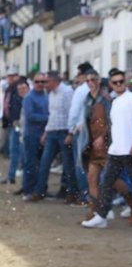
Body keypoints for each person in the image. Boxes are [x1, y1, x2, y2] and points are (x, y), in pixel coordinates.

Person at [81, 70, 132, 229]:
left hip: (121, 148)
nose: (118, 84)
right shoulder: (102, 99)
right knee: (102, 180)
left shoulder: (116, 99)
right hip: (109, 148)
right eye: (115, 82)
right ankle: (100, 213)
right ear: (111, 83)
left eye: (121, 81)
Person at [30, 71, 78, 203]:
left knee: (68, 165)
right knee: (45, 163)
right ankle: (39, 192)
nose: (44, 85)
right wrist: (46, 132)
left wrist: (70, 133)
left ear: (53, 81)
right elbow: (52, 114)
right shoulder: (50, 94)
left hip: (64, 131)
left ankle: (72, 193)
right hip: (52, 132)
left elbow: (72, 114)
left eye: (46, 82)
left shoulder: (67, 92)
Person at [66, 61, 94, 203]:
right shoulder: (97, 88)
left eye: (78, 74)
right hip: (93, 130)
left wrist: (70, 131)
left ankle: (84, 195)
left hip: (80, 130)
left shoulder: (81, 90)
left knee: (80, 163)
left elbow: (74, 111)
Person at [20, 74, 48, 200]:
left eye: (43, 81)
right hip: (31, 135)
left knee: (43, 164)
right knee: (30, 163)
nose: (40, 84)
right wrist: (48, 118)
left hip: (45, 134)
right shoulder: (28, 97)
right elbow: (30, 116)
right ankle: (28, 190)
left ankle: (40, 190)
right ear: (34, 82)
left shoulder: (47, 96)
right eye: (37, 81)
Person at [2, 70, 23, 185]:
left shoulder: (18, 88)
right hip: (11, 123)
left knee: (15, 149)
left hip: (17, 124)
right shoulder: (9, 89)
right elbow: (6, 105)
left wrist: (17, 120)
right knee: (12, 149)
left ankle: (13, 174)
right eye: (9, 76)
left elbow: (18, 106)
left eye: (13, 76)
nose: (10, 78)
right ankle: (12, 174)